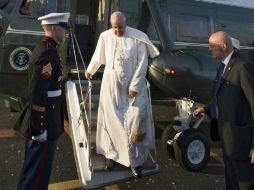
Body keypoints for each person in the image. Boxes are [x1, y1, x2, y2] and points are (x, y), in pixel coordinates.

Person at [85, 11, 159, 178]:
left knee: (135, 122)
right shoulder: (105, 36)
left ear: (126, 24)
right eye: (114, 27)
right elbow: (98, 55)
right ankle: (112, 156)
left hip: (132, 88)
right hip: (110, 87)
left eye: (120, 27)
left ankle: (136, 162)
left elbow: (142, 64)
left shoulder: (138, 38)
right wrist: (90, 70)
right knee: (112, 122)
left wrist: (134, 85)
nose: (117, 31)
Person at [14, 12, 70, 190]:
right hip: (45, 121)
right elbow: (38, 92)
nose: (66, 32)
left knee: (35, 168)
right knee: (37, 174)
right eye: (64, 28)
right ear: (53, 28)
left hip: (48, 116)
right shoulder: (48, 53)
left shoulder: (47, 48)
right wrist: (40, 129)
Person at [193, 31, 254, 190]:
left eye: (212, 46)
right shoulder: (222, 66)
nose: (209, 49)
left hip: (242, 141)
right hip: (226, 137)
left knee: (244, 183)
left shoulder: (242, 66)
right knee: (231, 180)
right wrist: (207, 109)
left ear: (224, 46)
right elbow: (222, 96)